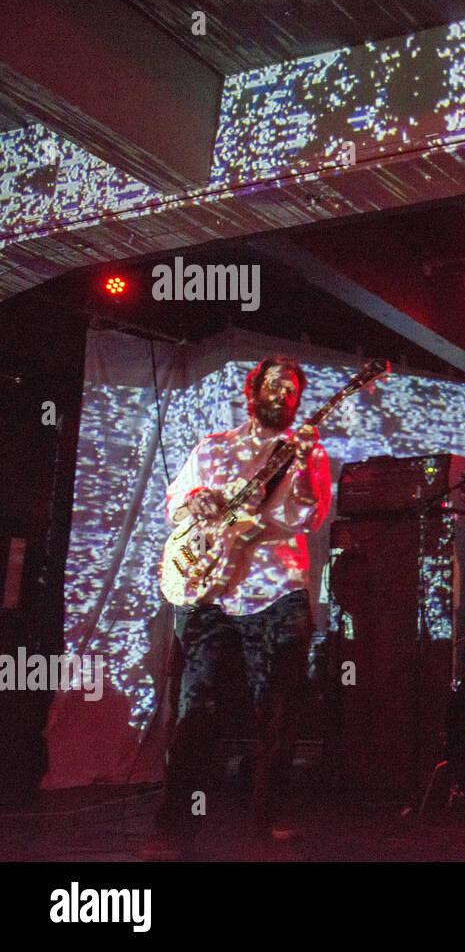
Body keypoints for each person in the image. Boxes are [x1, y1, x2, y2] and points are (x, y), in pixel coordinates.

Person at [144, 356, 331, 859]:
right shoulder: (214, 448)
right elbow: (173, 505)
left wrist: (307, 468)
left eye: (292, 390)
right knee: (196, 709)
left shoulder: (306, 451)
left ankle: (268, 821)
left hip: (277, 589)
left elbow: (308, 517)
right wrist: (197, 501)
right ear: (253, 392)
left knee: (280, 711)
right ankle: (173, 828)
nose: (282, 395)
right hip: (209, 591)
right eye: (274, 386)